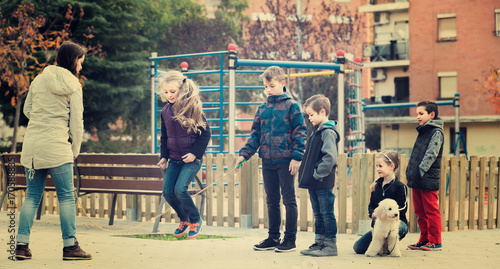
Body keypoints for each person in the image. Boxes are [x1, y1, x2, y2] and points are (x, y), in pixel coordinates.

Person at [15, 41, 92, 260]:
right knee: (67, 198)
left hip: (33, 147)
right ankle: (70, 247)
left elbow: (28, 109)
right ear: (72, 60)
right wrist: (74, 148)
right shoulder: (74, 85)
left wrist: (42, 120)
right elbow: (76, 122)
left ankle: (21, 246)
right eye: (80, 62)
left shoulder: (39, 79)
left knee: (31, 197)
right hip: (58, 147)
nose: (81, 67)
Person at [235, 66, 306, 252]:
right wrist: (244, 154)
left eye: (272, 86)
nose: (268, 90)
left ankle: (290, 240)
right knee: (271, 200)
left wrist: (297, 157)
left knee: (289, 200)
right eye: (266, 86)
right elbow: (255, 136)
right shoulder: (262, 109)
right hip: (267, 161)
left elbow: (300, 133)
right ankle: (273, 237)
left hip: (286, 161)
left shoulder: (293, 106)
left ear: (283, 84)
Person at [156, 70, 210, 239]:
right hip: (174, 160)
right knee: (167, 192)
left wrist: (195, 154)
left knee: (180, 190)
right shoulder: (164, 111)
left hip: (191, 160)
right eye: (166, 92)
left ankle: (195, 219)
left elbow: (206, 134)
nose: (169, 95)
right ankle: (184, 219)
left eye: (172, 91)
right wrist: (163, 157)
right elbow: (164, 137)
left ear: (182, 89)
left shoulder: (191, 108)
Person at [298, 94, 340, 257]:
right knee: (318, 213)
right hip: (314, 182)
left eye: (311, 115)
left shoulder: (327, 132)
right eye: (308, 115)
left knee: (326, 213)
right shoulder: (316, 131)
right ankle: (319, 242)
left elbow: (330, 157)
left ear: (322, 112)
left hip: (322, 182)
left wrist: (317, 175)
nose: (309, 118)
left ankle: (330, 245)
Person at [353, 150, 409, 254]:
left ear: (391, 166)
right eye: (377, 166)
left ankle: (389, 246)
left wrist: (389, 214)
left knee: (397, 230)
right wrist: (373, 213)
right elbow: (371, 206)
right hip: (379, 225)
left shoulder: (400, 187)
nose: (378, 169)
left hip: (397, 223)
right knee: (358, 248)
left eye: (380, 166)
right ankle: (382, 245)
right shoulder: (376, 185)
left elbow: (403, 208)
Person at [406, 101, 443, 251]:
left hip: (426, 177)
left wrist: (420, 171)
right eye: (417, 114)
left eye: (421, 114)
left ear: (432, 115)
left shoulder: (436, 132)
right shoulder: (423, 131)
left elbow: (431, 155)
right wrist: (411, 172)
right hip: (417, 178)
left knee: (431, 210)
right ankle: (425, 239)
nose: (418, 117)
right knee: (420, 211)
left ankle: (436, 241)